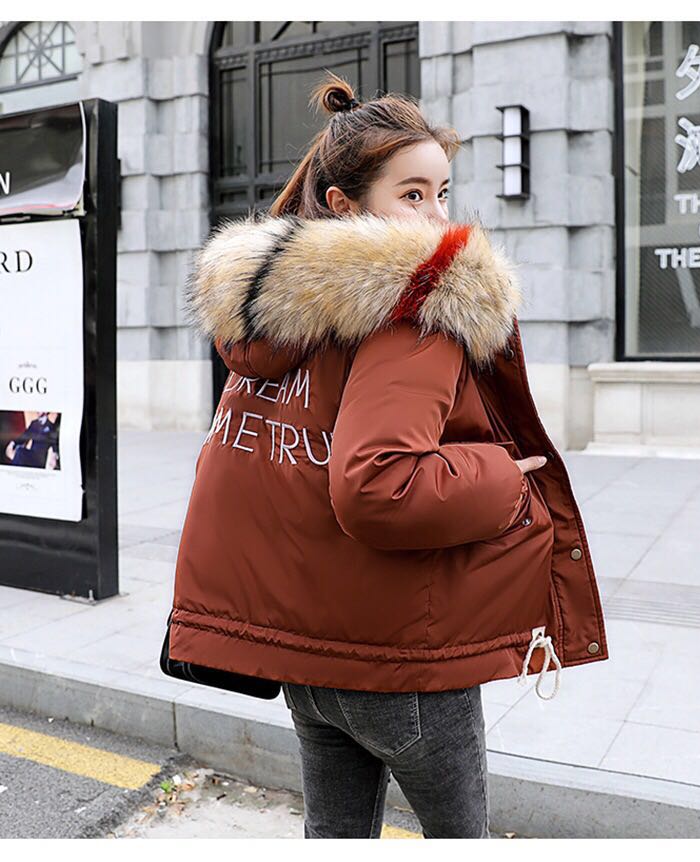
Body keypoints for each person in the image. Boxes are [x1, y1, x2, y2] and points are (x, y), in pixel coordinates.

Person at [167, 71, 608, 839]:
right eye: (412, 195)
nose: (436, 216)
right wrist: (502, 476)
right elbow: (378, 486)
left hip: (308, 655)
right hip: (402, 657)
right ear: (344, 204)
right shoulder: (417, 312)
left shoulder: (276, 311)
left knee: (334, 835)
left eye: (442, 193)